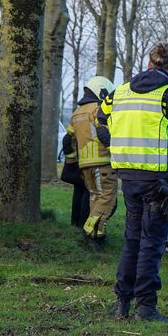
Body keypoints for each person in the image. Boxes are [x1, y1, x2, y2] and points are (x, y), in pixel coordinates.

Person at [98, 42, 168, 322]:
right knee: (151, 243)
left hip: (128, 178)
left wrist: (111, 139)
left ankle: (122, 304)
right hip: (160, 181)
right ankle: (146, 308)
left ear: (147, 64)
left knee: (132, 240)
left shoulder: (120, 91)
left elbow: (100, 116)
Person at [69, 75, 117, 246]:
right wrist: (117, 154)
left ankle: (97, 235)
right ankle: (90, 231)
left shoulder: (76, 113)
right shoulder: (99, 109)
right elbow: (104, 132)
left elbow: (68, 141)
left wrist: (71, 162)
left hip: (85, 165)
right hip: (103, 161)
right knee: (107, 199)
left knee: (95, 198)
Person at [60, 124, 91, 229]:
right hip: (92, 163)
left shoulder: (78, 114)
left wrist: (71, 162)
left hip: (81, 162)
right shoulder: (96, 112)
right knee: (90, 194)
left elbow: (67, 139)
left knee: (79, 191)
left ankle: (75, 226)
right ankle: (84, 228)